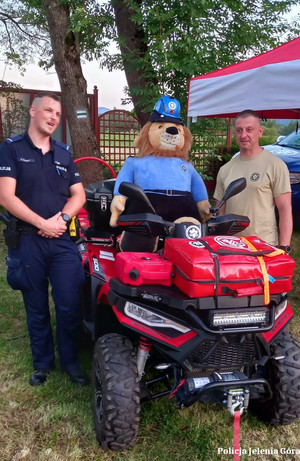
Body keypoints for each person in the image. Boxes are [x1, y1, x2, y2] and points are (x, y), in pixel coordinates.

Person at [0, 92, 89, 386]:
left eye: (58, 114)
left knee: (68, 303)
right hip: (28, 239)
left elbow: (79, 194)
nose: (53, 117)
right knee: (35, 305)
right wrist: (41, 223)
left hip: (62, 240)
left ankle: (70, 361)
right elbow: (6, 197)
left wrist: (62, 220)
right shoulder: (11, 149)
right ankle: (42, 363)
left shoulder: (63, 152)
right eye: (48, 110)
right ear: (33, 112)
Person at [213, 109, 292, 250]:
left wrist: (284, 246)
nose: (244, 135)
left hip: (263, 245)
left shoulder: (275, 165)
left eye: (249, 130)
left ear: (260, 132)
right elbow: (220, 212)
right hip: (232, 246)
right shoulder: (225, 169)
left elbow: (285, 209)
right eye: (239, 130)